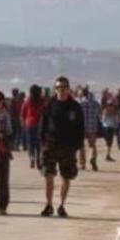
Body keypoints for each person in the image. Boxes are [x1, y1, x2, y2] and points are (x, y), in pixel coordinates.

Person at [39, 76, 84, 218]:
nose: (62, 90)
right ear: (55, 89)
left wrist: (77, 146)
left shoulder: (75, 107)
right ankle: (49, 204)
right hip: (50, 145)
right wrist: (43, 142)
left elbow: (80, 128)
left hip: (68, 148)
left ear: (68, 88)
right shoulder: (49, 105)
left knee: (66, 177)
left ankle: (62, 205)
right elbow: (43, 125)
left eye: (64, 87)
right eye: (59, 87)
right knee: (48, 175)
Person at [22, 84, 45, 170]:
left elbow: (23, 113)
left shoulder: (28, 101)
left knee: (30, 143)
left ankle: (31, 156)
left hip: (29, 124)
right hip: (40, 124)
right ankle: (38, 160)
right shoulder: (42, 100)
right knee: (39, 143)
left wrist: (24, 123)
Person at [79, 86, 101, 172]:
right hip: (93, 126)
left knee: (81, 146)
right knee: (92, 145)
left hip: (82, 127)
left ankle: (82, 163)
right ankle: (93, 158)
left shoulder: (80, 103)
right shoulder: (95, 103)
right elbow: (100, 113)